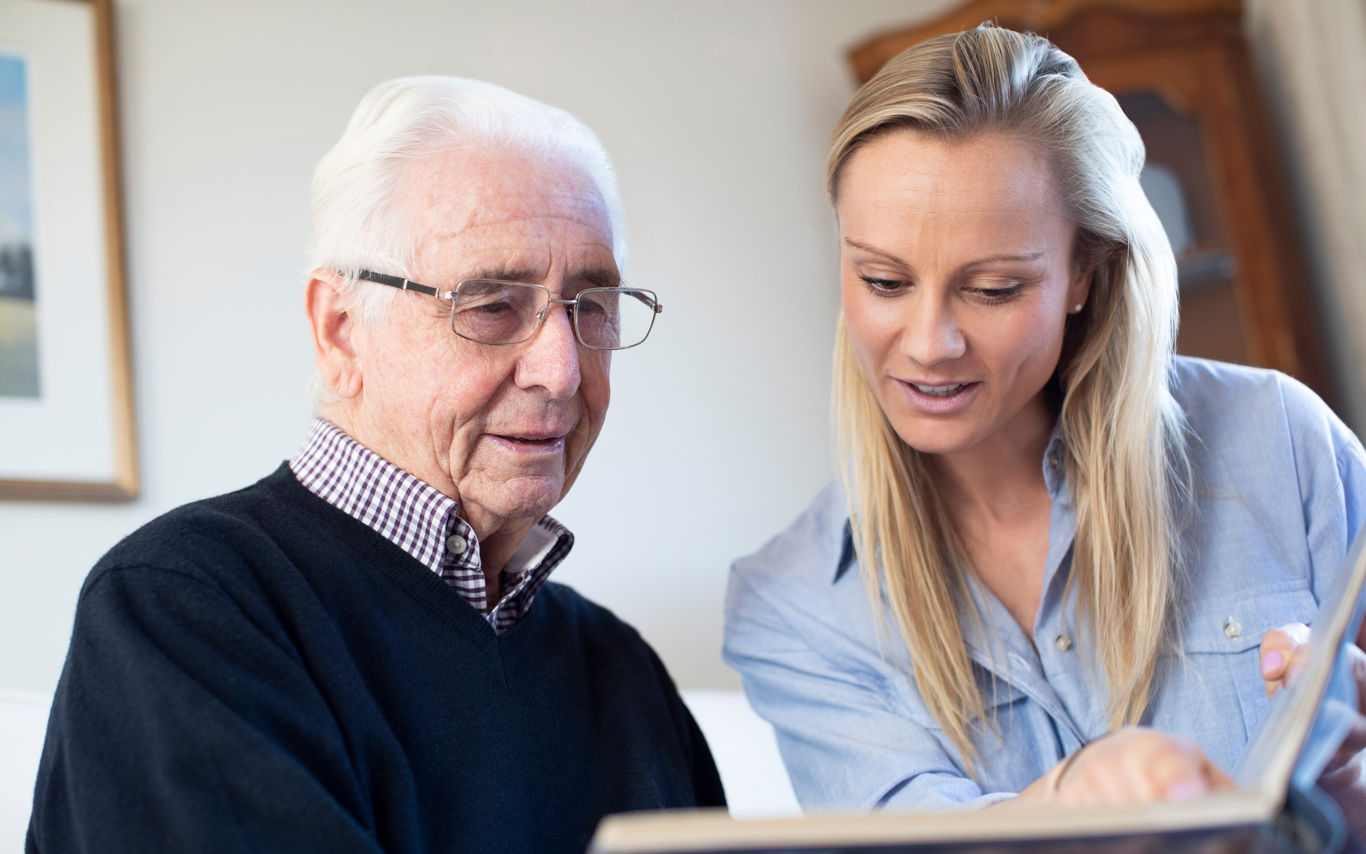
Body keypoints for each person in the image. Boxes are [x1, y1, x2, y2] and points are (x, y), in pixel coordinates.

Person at [29, 76, 723, 853]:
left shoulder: (622, 672)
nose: (560, 371)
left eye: (590, 305)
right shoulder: (185, 606)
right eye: (492, 303)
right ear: (340, 331)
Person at [723, 25, 1366, 813]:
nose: (929, 345)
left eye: (993, 289)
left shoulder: (1284, 444)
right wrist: (1076, 795)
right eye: (885, 281)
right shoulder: (792, 608)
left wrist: (1343, 792)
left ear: (1083, 275)